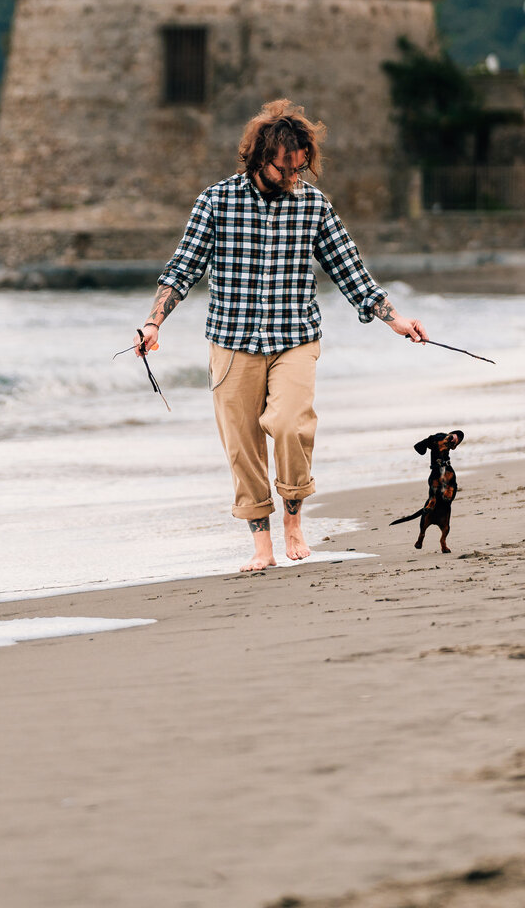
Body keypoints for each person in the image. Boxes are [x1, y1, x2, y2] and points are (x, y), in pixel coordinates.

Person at [137, 100, 427, 573]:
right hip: (231, 343)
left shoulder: (313, 204)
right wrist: (154, 323)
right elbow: (182, 269)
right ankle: (261, 543)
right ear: (259, 158)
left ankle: (294, 517)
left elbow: (350, 271)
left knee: (290, 425)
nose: (295, 177)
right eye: (285, 168)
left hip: (295, 338)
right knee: (243, 446)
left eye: (301, 168)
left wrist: (394, 318)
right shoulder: (216, 201)